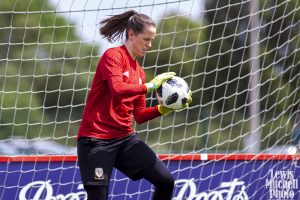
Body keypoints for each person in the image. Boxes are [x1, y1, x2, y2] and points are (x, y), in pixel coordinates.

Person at [77, 10, 192, 200]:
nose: (149, 45)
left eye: (151, 40)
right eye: (146, 39)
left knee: (165, 181)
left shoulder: (140, 72)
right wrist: (149, 87)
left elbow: (139, 115)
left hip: (125, 139)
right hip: (96, 140)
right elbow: (117, 88)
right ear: (131, 35)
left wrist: (164, 108)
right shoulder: (113, 56)